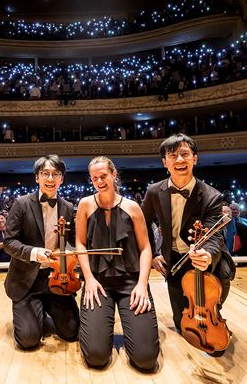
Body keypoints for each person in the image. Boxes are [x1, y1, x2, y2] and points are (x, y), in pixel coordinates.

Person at [141, 134, 235, 356]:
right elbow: (142, 225)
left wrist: (208, 255)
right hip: (174, 260)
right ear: (165, 162)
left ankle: (214, 315)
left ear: (195, 159)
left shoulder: (211, 196)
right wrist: (153, 253)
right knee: (182, 325)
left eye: (185, 154)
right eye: (173, 156)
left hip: (205, 262)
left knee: (216, 286)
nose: (179, 160)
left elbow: (215, 235)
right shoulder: (154, 191)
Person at [75, 156, 159, 371]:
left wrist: (142, 284)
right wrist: (89, 280)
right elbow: (80, 244)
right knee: (96, 357)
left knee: (146, 359)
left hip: (131, 283)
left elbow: (146, 248)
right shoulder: (85, 205)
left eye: (103, 176)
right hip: (99, 283)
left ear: (114, 175)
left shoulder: (132, 207)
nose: (100, 181)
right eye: (95, 178)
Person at [3, 155, 80, 350]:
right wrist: (34, 252)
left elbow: (73, 242)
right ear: (37, 177)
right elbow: (9, 242)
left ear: (62, 179)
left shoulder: (68, 207)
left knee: (72, 333)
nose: (50, 179)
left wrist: (70, 254)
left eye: (56, 174)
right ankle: (33, 313)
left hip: (57, 278)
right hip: (28, 281)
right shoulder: (21, 204)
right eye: (45, 174)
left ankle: (47, 309)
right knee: (28, 340)